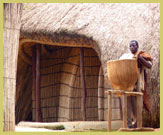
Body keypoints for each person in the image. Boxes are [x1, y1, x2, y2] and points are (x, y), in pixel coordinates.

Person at [120, 40, 152, 128]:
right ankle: (129, 125)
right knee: (127, 105)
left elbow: (149, 65)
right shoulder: (125, 56)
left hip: (137, 84)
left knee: (137, 106)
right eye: (130, 46)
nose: (132, 47)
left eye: (133, 45)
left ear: (137, 46)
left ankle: (137, 125)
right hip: (127, 83)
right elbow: (119, 65)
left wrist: (139, 57)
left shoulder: (142, 55)